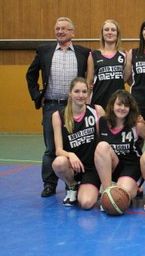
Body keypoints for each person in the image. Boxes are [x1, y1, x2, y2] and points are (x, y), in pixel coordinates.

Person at [26, 17, 91, 197]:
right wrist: (37, 96)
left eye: (64, 29)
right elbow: (30, 75)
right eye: (57, 28)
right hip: (51, 107)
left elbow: (91, 77)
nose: (60, 31)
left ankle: (81, 180)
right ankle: (49, 184)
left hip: (76, 107)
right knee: (51, 148)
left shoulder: (84, 53)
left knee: (80, 143)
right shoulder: (44, 51)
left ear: (72, 33)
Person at [51, 77, 105, 209]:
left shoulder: (97, 111)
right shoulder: (58, 116)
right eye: (77, 91)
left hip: (92, 168)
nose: (81, 95)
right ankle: (72, 185)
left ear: (88, 93)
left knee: (86, 203)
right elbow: (58, 150)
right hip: (73, 166)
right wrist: (70, 154)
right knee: (59, 162)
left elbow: (105, 141)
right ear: (70, 93)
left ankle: (93, 186)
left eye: (84, 92)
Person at [94, 89, 145, 208]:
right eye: (119, 104)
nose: (122, 108)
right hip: (113, 166)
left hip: (131, 166)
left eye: (126, 105)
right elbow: (98, 149)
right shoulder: (102, 122)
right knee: (102, 146)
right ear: (112, 105)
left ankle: (134, 185)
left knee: (123, 196)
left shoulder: (137, 124)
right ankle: (107, 191)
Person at [87, 19, 126, 108]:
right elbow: (89, 82)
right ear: (102, 33)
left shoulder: (124, 55)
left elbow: (126, 78)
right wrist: (87, 103)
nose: (109, 32)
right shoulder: (93, 55)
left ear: (117, 34)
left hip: (118, 103)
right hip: (98, 102)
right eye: (106, 29)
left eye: (113, 30)